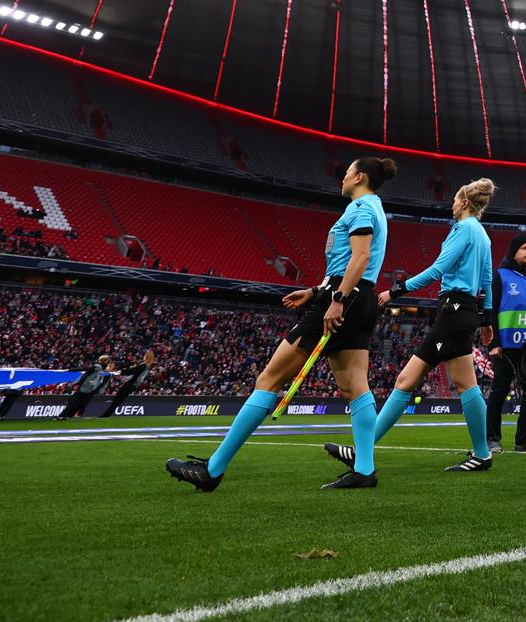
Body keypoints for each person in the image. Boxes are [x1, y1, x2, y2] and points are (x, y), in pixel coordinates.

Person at [167, 156, 393, 492]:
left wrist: (335, 299)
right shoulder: (374, 207)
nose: (342, 178)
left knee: (269, 378)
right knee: (355, 387)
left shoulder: (361, 209)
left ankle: (212, 470)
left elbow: (360, 258)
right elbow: (358, 263)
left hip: (344, 299)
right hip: (360, 299)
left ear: (359, 177)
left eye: (346, 173)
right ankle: (364, 470)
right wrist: (316, 290)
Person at [327, 178, 496, 475]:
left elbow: (437, 270)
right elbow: (486, 282)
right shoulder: (483, 235)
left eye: (455, 200)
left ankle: (482, 454)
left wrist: (395, 291)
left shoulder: (463, 229)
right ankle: (362, 449)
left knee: (461, 383)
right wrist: (486, 319)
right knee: (408, 381)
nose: (452, 205)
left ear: (465, 203)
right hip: (463, 311)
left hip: (453, 310)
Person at [486, 231, 526, 454]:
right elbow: (490, 311)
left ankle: (523, 439)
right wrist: (492, 343)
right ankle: (492, 439)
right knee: (499, 392)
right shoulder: (500, 276)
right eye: (524, 248)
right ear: (514, 251)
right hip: (505, 347)